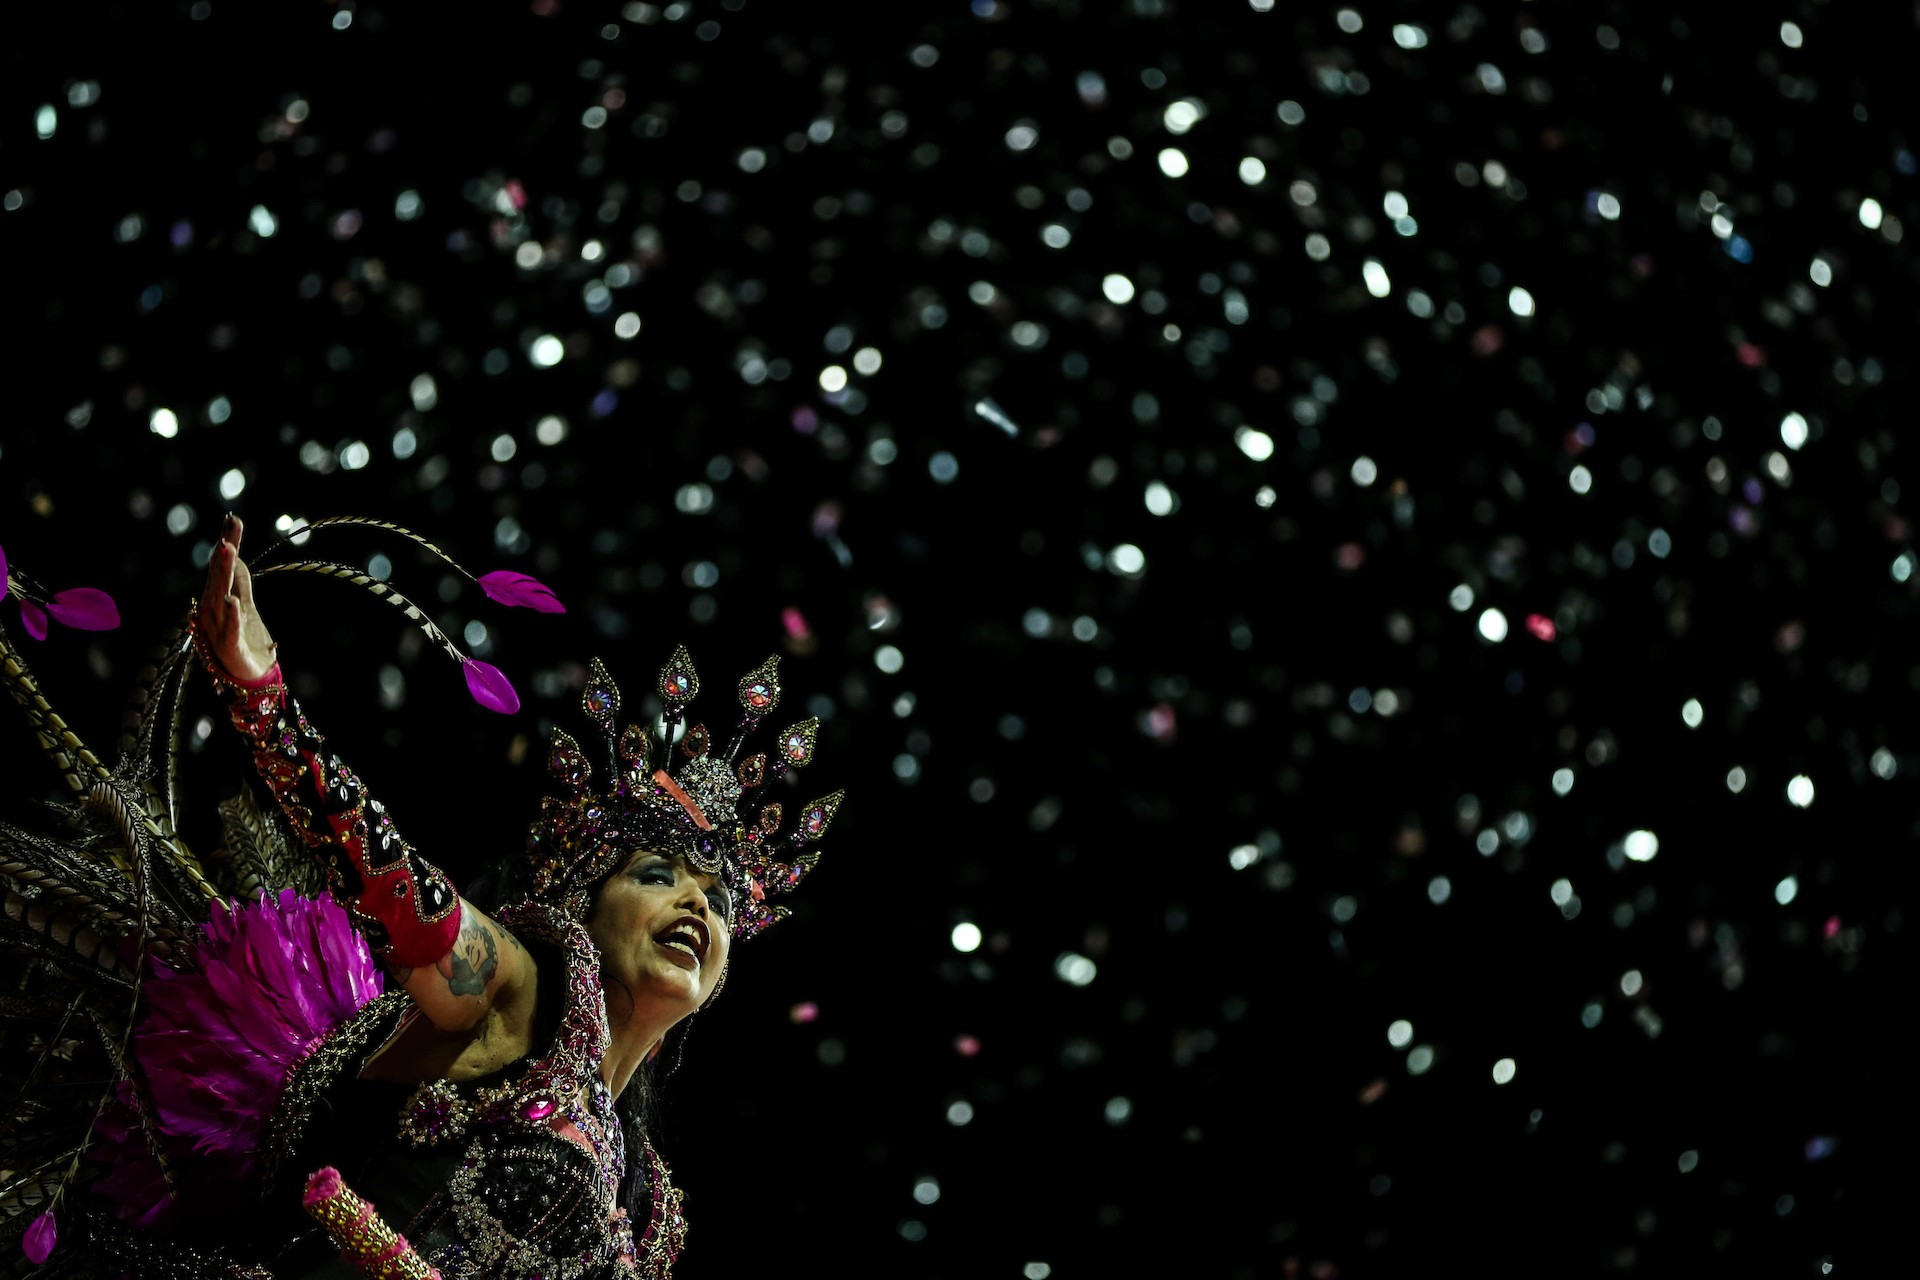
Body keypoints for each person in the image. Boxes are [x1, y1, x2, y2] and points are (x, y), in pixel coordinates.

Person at [1, 516, 841, 1279]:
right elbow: (397, 885)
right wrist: (264, 702)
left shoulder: (648, 1211)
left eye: (719, 902)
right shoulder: (526, 990)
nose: (695, 905)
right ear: (585, 898)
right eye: (658, 875)